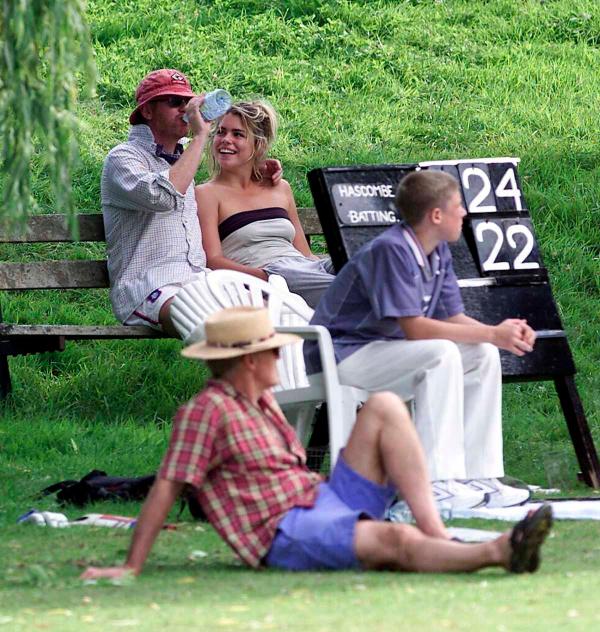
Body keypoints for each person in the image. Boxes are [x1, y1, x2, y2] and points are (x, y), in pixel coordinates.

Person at [81, 307, 552, 579]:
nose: (281, 355)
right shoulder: (207, 412)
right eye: (273, 349)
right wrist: (131, 566)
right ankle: (499, 551)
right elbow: (167, 486)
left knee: (386, 405)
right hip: (283, 531)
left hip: (316, 497)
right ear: (249, 361)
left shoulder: (260, 400)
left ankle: (434, 530)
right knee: (390, 539)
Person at [304, 170, 537, 510]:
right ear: (437, 215)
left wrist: (499, 335)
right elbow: (415, 329)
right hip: (340, 355)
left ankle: (479, 476)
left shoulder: (437, 251)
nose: (465, 214)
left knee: (482, 353)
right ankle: (436, 481)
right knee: (441, 353)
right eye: (458, 206)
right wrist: (492, 332)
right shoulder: (391, 250)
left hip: (382, 352)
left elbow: (453, 318)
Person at [101, 70, 282, 336]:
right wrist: (199, 137)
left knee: (278, 312)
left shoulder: (179, 161)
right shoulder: (123, 158)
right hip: (150, 289)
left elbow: (220, 187)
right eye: (174, 102)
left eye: (187, 102)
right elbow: (163, 196)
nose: (185, 109)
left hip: (200, 282)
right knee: (221, 328)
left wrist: (254, 171)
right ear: (148, 111)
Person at [195, 100, 335, 308]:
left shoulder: (280, 187)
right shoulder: (207, 194)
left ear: (258, 144)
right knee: (351, 289)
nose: (226, 140)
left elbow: (305, 253)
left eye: (238, 134)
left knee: (365, 265)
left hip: (303, 268)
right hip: (271, 274)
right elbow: (213, 260)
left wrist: (321, 267)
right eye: (221, 132)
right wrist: (265, 278)